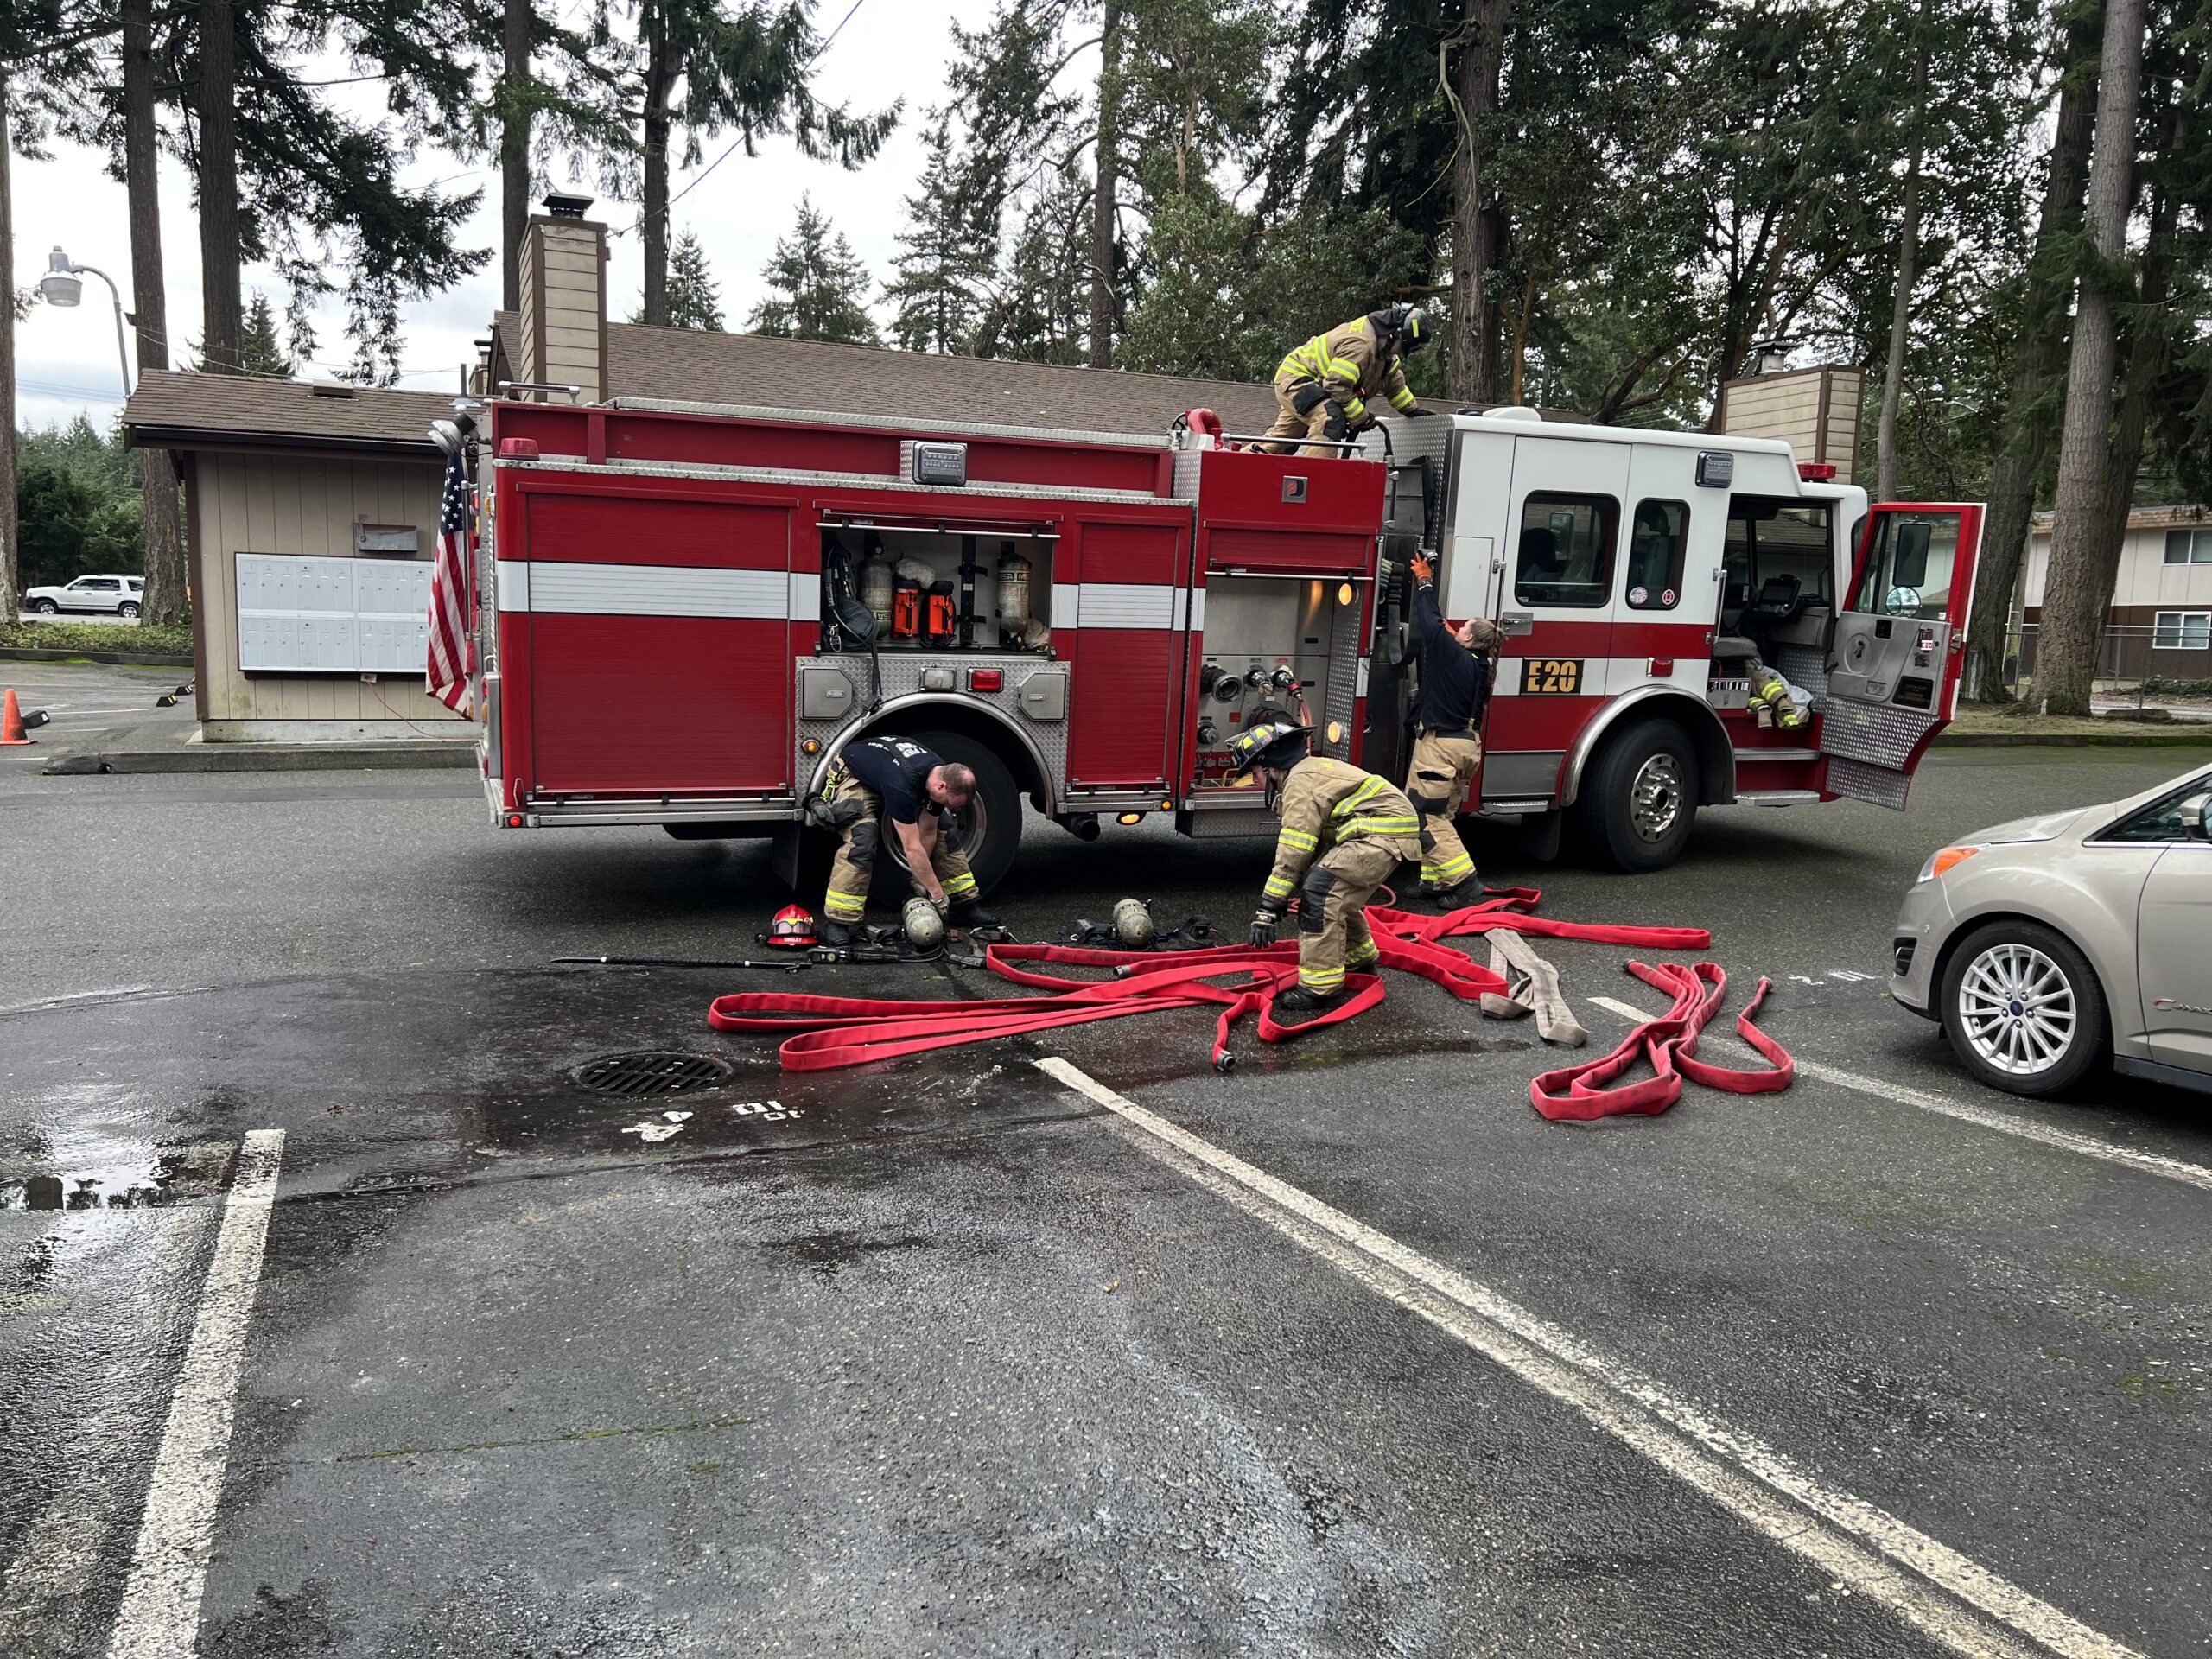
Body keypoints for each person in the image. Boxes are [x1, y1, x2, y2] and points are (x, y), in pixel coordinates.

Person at [1230, 717, 1424, 1018]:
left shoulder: (1300, 783)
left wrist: (1268, 906)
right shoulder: (1308, 772)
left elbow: (1294, 848)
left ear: (1271, 766)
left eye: (1254, 772)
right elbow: (1314, 846)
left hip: (1380, 834)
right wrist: (1284, 895)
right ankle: (1359, 960)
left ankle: (1321, 989)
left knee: (1321, 894)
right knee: (1333, 892)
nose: (1254, 781)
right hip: (1384, 831)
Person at [810, 735, 997, 946]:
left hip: (885, 771)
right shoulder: (902, 784)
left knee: (944, 829)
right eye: (950, 803)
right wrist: (936, 894)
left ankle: (965, 906)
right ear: (941, 787)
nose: (954, 809)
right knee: (862, 837)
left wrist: (919, 884)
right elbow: (911, 846)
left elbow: (927, 832)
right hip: (855, 776)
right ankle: (838, 922)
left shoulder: (937, 773)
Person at [1403, 552, 1500, 906]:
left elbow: (1430, 623)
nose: (1457, 628)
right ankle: (1435, 881)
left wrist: (1424, 582)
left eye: (1463, 628)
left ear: (1470, 637)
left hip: (1441, 746)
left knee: (1424, 814)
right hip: (1465, 747)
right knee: (1442, 815)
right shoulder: (1479, 664)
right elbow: (1444, 630)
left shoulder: (1454, 654)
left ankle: (1464, 881)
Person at [1259, 305, 1436, 458]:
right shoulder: (1361, 345)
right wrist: (1361, 417)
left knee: (1282, 441)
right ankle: (1317, 485)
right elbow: (1337, 386)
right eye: (1404, 347)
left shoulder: (1384, 353)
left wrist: (1413, 410)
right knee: (1329, 418)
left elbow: (1395, 386)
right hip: (1296, 378)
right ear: (1396, 335)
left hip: (1314, 386)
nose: (1401, 353)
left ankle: (1236, 466)